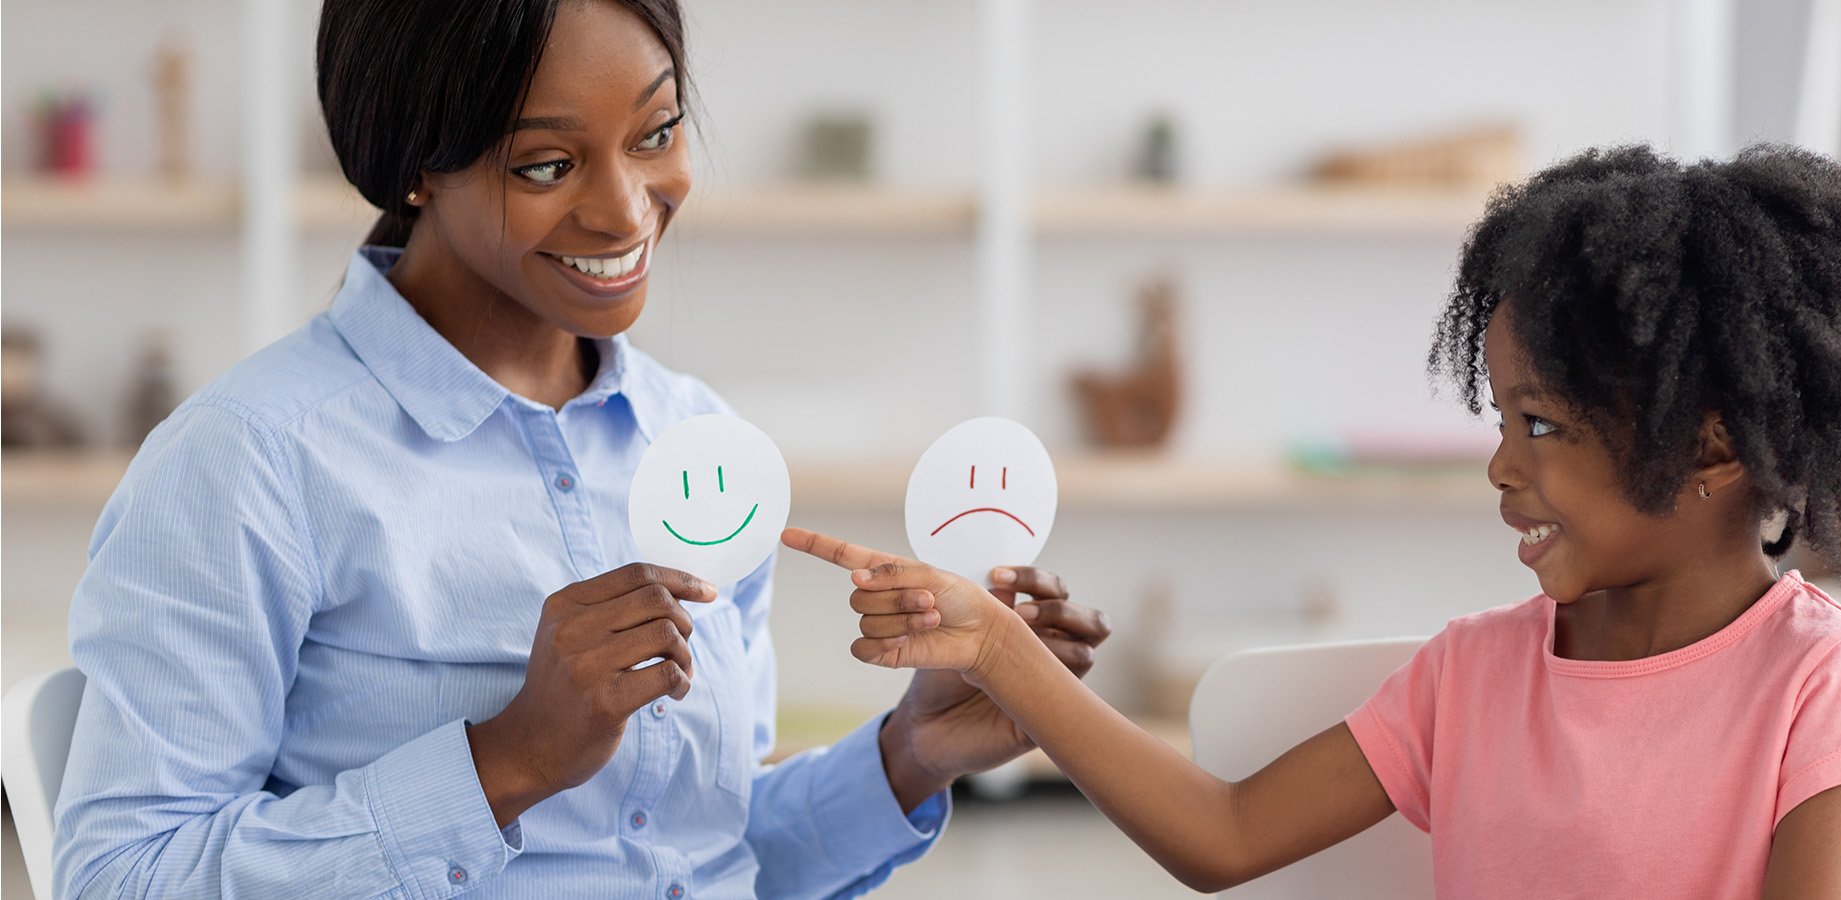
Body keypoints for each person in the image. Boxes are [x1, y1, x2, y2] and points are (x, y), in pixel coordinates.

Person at [51, 1, 1110, 897]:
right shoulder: (249, 463)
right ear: (416, 163)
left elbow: (700, 850)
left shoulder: (697, 442)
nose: (622, 210)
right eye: (549, 163)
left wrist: (910, 755)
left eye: (654, 132)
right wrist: (503, 764)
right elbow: (121, 873)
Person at [784, 144, 1841, 898]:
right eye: (1499, 418)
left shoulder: (1826, 688)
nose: (1501, 466)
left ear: (1708, 442)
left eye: (1543, 426)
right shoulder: (1473, 675)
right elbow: (1224, 834)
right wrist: (996, 648)